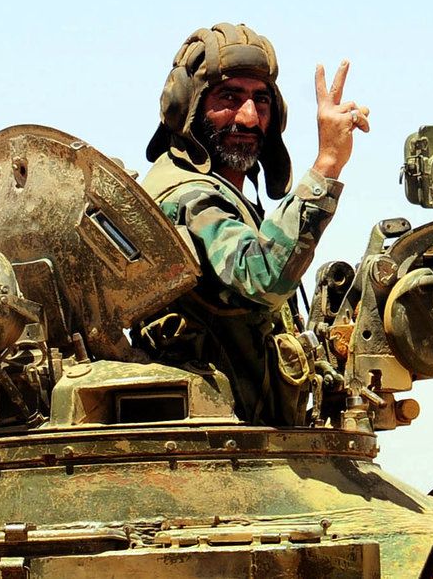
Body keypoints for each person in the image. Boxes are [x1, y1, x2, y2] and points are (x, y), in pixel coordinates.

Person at [139, 23, 369, 426]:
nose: (248, 117)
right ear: (186, 106)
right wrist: (328, 163)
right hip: (215, 442)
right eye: (229, 98)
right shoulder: (187, 198)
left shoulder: (227, 197)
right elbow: (263, 276)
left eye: (260, 100)